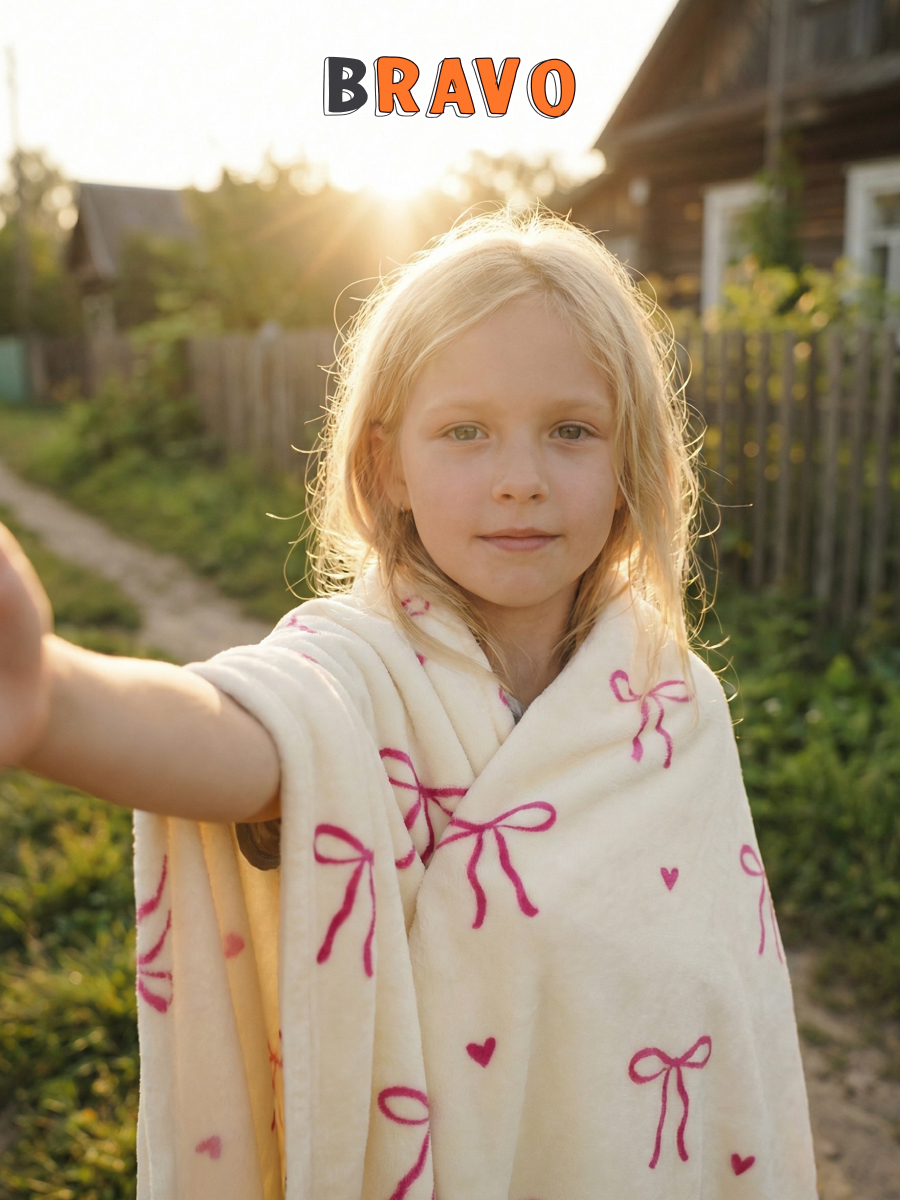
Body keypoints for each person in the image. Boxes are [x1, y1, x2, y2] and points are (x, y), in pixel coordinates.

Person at [0, 210, 817, 1199]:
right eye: (465, 432)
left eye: (570, 431)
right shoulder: (360, 669)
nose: (520, 481)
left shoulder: (675, 701)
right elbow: (246, 734)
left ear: (628, 459)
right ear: (389, 466)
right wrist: (48, 698)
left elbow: (733, 1010)